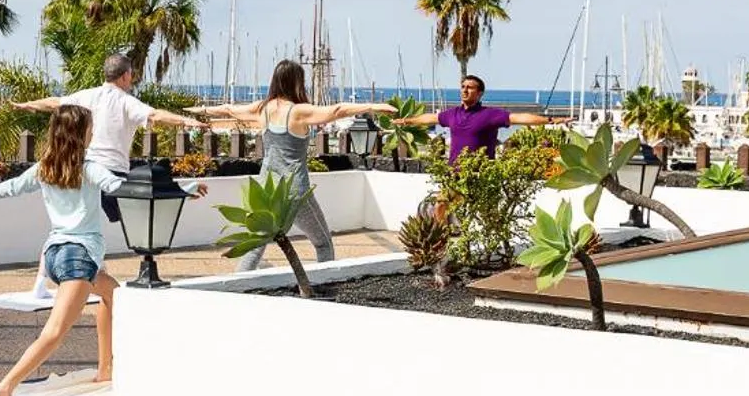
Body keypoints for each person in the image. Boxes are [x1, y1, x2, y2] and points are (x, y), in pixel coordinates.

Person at [0, 105, 130, 396]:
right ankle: (6, 387)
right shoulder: (89, 167)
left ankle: (106, 368)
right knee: (53, 333)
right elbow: (124, 188)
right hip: (77, 259)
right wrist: (182, 189)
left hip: (55, 256)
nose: (93, 131)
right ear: (81, 133)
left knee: (114, 296)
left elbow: (10, 187)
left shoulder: (45, 166)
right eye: (90, 127)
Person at [9, 52, 207, 293]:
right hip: (110, 174)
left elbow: (55, 102)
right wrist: (188, 122)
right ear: (125, 76)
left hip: (83, 169)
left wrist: (27, 105)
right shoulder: (125, 101)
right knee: (146, 212)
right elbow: (155, 115)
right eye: (131, 75)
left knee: (68, 227)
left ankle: (41, 283)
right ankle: (110, 271)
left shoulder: (85, 95)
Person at [196, 61, 397, 271]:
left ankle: (239, 285)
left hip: (266, 189)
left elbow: (229, 110)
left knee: (256, 245)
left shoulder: (261, 108)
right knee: (323, 243)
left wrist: (202, 109)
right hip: (294, 190)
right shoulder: (298, 111)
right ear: (296, 82)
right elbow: (337, 109)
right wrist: (373, 106)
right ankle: (325, 282)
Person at [394, 75, 570, 160]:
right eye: (463, 86)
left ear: (479, 93)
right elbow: (430, 118)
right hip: (454, 171)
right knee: (442, 204)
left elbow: (520, 118)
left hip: (481, 171)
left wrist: (551, 120)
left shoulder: (490, 115)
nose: (464, 90)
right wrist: (406, 121)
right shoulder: (452, 114)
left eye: (470, 87)